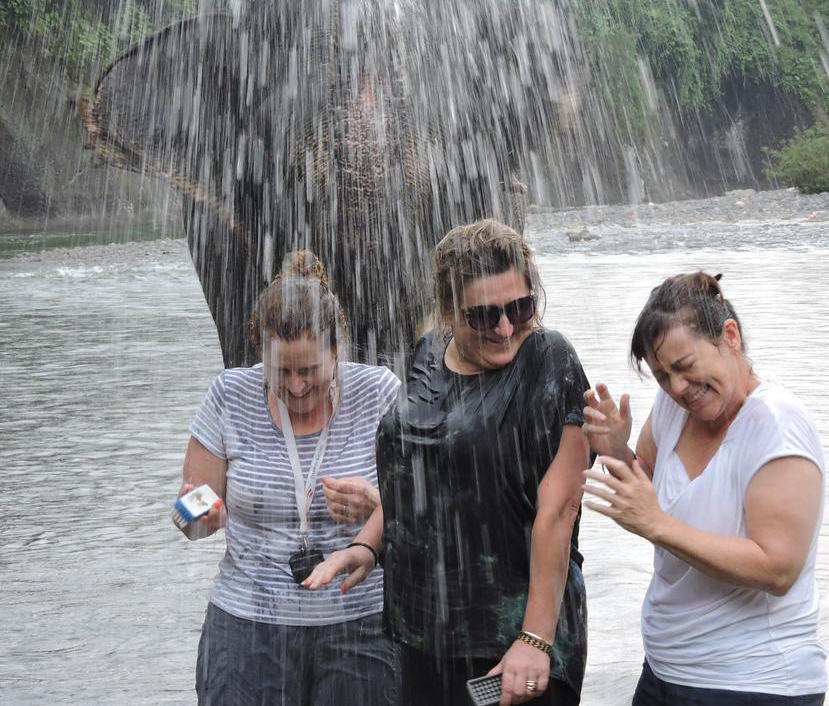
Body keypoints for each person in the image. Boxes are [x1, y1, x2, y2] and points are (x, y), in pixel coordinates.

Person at [306, 219, 592, 706]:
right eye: (483, 316)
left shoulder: (548, 358)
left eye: (520, 308)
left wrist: (536, 639)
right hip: (421, 630)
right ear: (448, 311)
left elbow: (560, 509)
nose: (505, 328)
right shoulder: (427, 353)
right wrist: (368, 546)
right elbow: (415, 479)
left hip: (513, 636)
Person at [581, 271, 827, 705]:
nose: (678, 388)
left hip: (756, 681)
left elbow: (778, 569)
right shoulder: (673, 410)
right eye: (661, 376)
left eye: (685, 367)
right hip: (665, 669)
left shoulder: (777, 426)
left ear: (729, 336)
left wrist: (658, 526)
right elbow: (643, 502)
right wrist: (616, 452)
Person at [174, 250, 400, 705]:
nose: (297, 386)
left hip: (361, 626)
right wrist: (200, 514)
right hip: (246, 627)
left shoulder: (379, 393)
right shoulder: (231, 395)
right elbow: (187, 507)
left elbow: (424, 505)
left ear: (337, 350)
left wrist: (377, 502)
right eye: (282, 372)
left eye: (310, 370)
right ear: (261, 354)